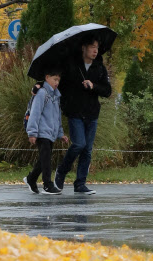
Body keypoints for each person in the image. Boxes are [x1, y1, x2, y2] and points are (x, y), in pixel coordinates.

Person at [54, 36, 112, 195]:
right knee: (79, 144)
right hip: (75, 111)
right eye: (92, 47)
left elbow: (107, 91)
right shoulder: (71, 64)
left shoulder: (99, 67)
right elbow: (58, 82)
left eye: (97, 48)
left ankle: (80, 183)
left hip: (92, 113)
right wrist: (40, 85)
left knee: (87, 149)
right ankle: (61, 171)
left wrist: (93, 86)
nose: (95, 50)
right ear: (83, 48)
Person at [24, 69, 68, 195]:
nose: (57, 83)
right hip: (42, 132)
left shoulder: (56, 96)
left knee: (44, 159)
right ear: (47, 77)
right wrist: (32, 132)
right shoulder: (42, 93)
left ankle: (31, 179)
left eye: (58, 80)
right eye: (55, 79)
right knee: (46, 159)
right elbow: (35, 113)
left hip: (51, 133)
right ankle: (47, 185)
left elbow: (57, 117)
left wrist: (60, 134)